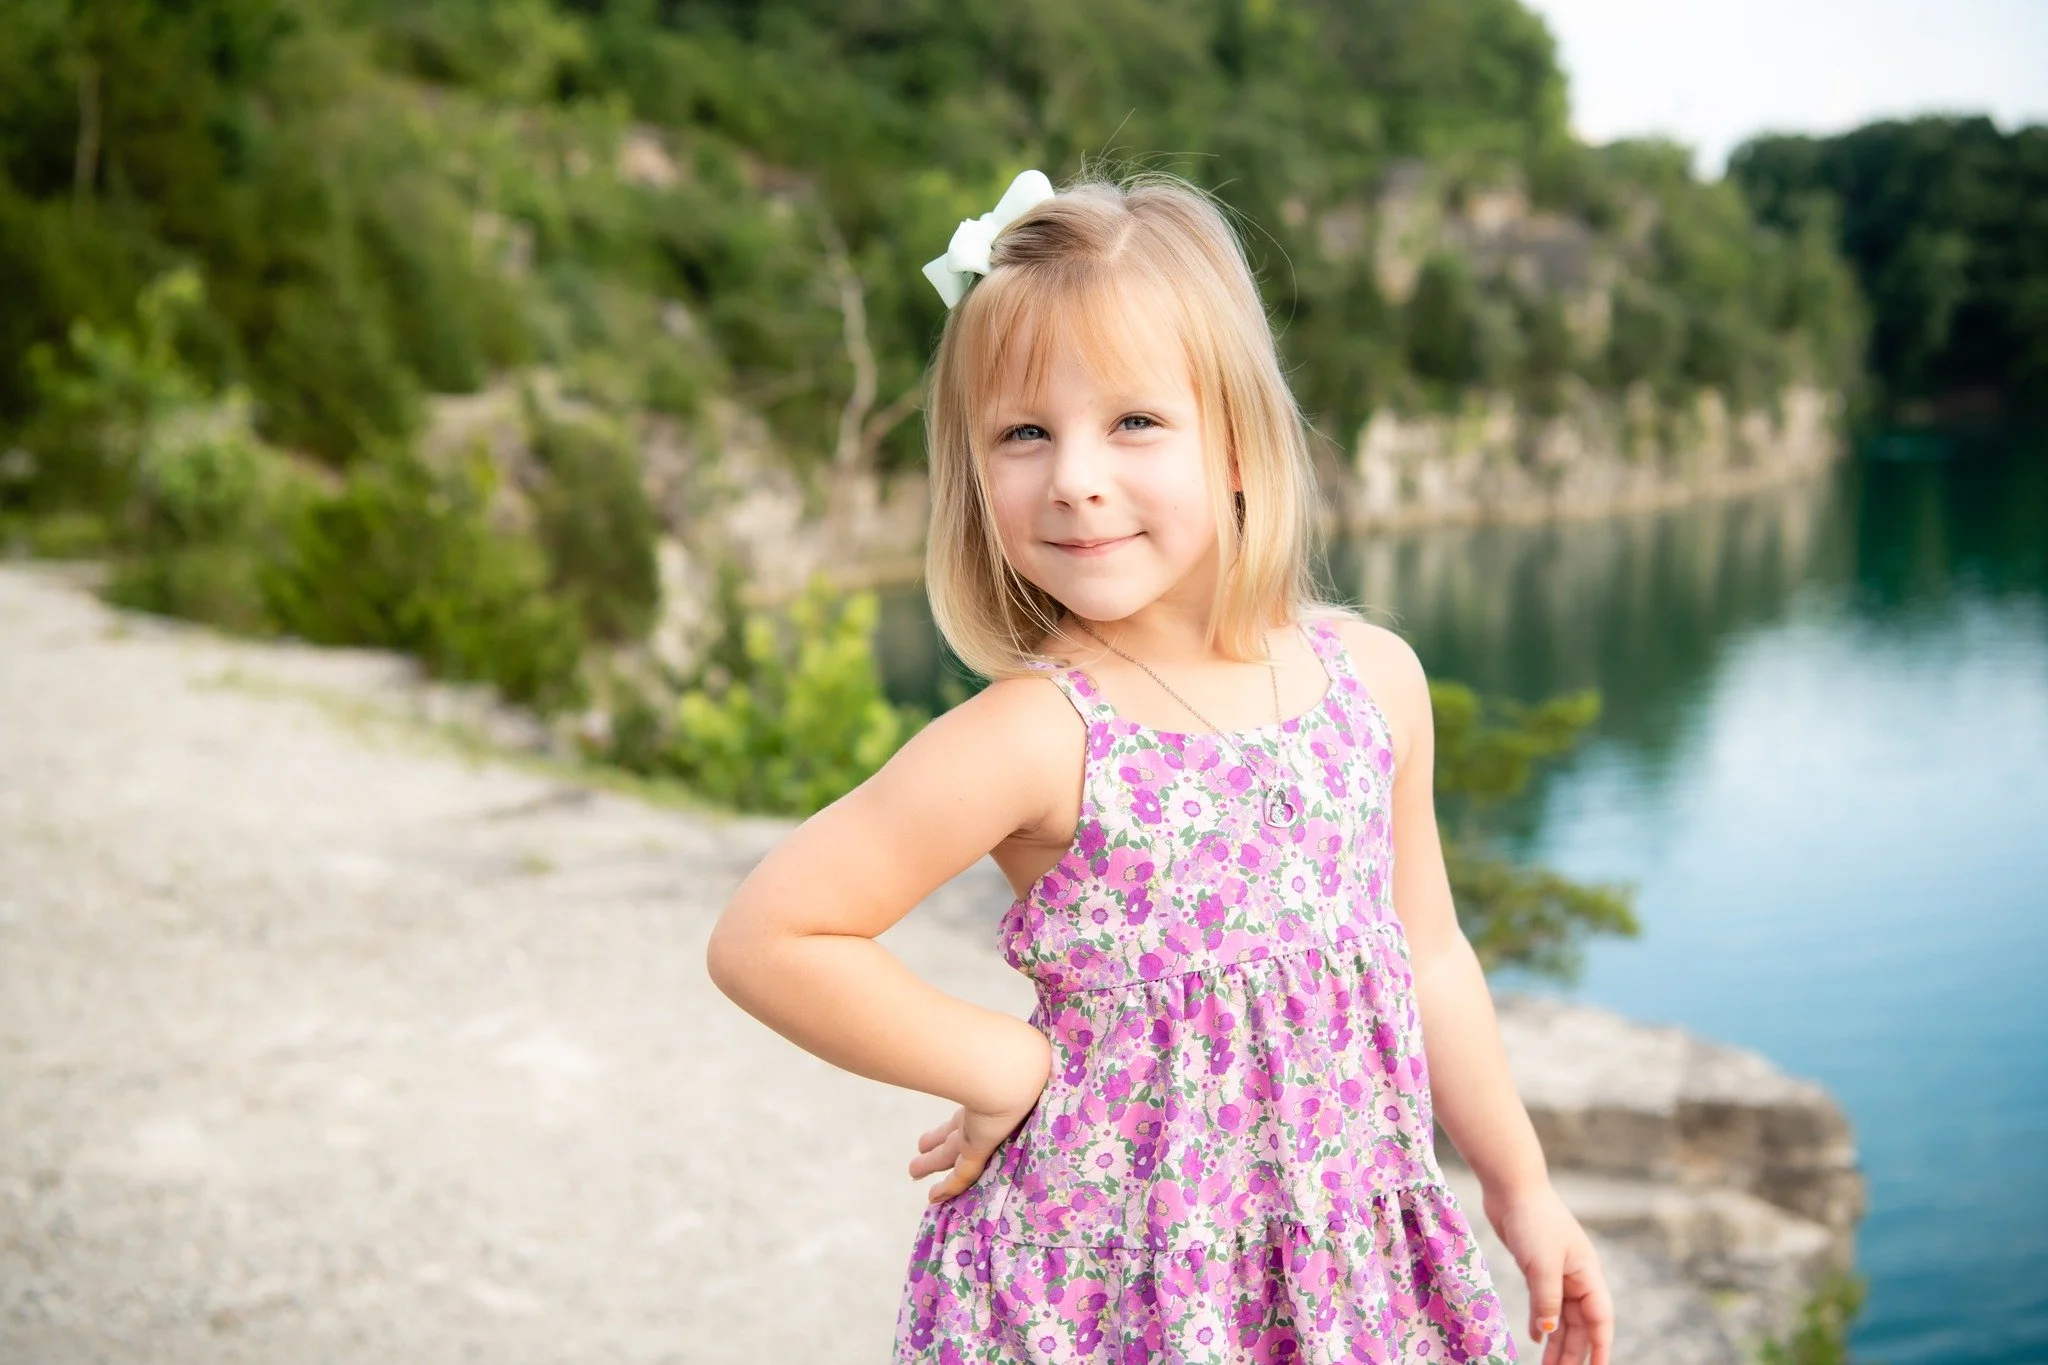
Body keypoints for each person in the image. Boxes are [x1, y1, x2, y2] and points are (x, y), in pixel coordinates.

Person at [706, 167, 1615, 1364]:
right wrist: (1004, 1059)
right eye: (1023, 433)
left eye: (1133, 421)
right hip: (1114, 1295)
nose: (1075, 475)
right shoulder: (1039, 733)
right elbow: (770, 935)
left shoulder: (1372, 680)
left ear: (1236, 440)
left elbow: (1429, 952)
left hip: (1346, 1274)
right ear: (976, 478)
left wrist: (1521, 1189)